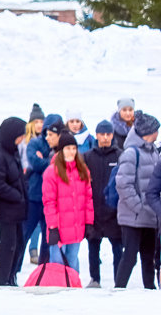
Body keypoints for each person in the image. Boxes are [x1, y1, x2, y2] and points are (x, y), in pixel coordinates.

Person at [113, 111, 159, 289]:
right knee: (130, 256)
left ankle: (150, 290)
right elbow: (123, 184)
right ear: (149, 131)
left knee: (148, 257)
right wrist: (139, 208)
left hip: (149, 216)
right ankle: (119, 288)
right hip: (133, 217)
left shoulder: (153, 151)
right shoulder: (131, 153)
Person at [41, 131, 94, 273]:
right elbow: (49, 202)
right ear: (61, 150)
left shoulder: (83, 171)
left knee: (72, 263)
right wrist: (52, 227)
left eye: (73, 148)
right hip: (59, 228)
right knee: (57, 266)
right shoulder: (51, 172)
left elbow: (88, 199)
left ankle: (74, 292)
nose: (71, 152)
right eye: (67, 148)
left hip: (76, 227)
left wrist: (89, 223)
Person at [0, 117, 29, 286]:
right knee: (8, 244)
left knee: (19, 244)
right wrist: (18, 195)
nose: (22, 139)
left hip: (17, 208)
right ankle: (2, 279)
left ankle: (12, 276)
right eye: (20, 135)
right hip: (7, 208)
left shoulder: (11, 150)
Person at [85, 120, 123, 288]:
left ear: (112, 135)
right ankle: (95, 279)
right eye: (102, 134)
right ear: (97, 135)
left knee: (117, 250)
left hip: (114, 211)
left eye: (108, 134)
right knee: (93, 248)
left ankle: (119, 281)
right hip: (94, 210)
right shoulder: (88, 156)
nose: (105, 137)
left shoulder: (120, 155)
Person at [22, 113, 63, 268]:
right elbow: (35, 163)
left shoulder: (61, 146)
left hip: (51, 200)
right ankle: (15, 268)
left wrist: (45, 161)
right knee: (24, 234)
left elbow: (59, 168)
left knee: (48, 238)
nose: (47, 135)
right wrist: (51, 161)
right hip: (34, 197)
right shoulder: (34, 143)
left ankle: (43, 269)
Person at [20, 105, 45, 263]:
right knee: (28, 224)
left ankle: (34, 249)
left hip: (40, 185)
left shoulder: (45, 141)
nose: (39, 125)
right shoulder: (23, 141)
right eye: (36, 121)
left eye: (41, 121)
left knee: (38, 225)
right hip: (26, 183)